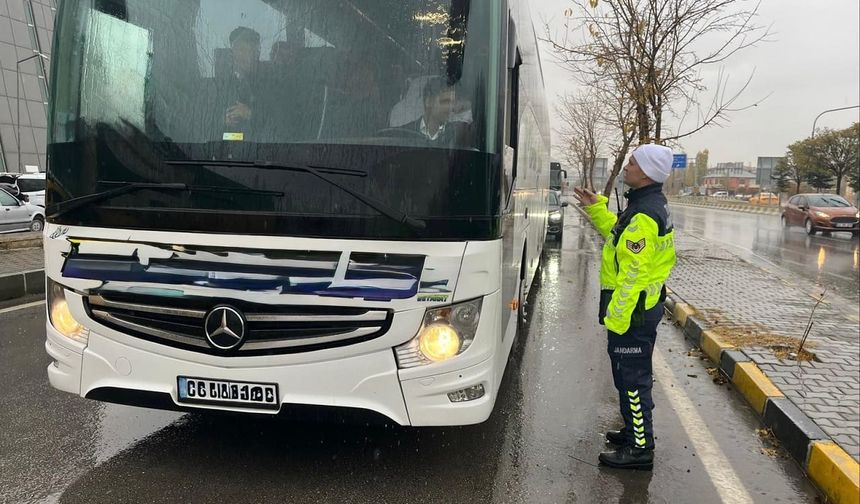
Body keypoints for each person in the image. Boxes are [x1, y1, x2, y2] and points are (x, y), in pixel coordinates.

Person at [573, 144, 677, 470]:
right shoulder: (642, 206)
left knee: (633, 381)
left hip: (634, 313)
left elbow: (634, 273)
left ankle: (640, 449)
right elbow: (617, 237)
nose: (626, 167)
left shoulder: (645, 215)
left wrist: (618, 318)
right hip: (636, 310)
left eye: (631, 162)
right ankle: (635, 432)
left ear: (645, 172)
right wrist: (596, 209)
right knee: (624, 377)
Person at [402, 77, 472, 145]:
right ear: (428, 101)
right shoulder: (403, 133)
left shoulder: (460, 134)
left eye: (452, 102)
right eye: (446, 101)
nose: (451, 107)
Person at [220, 27, 263, 132]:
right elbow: (203, 121)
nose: (240, 55)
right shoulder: (219, 85)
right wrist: (222, 121)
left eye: (245, 50)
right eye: (237, 49)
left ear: (257, 53)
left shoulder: (273, 83)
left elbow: (282, 125)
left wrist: (249, 114)